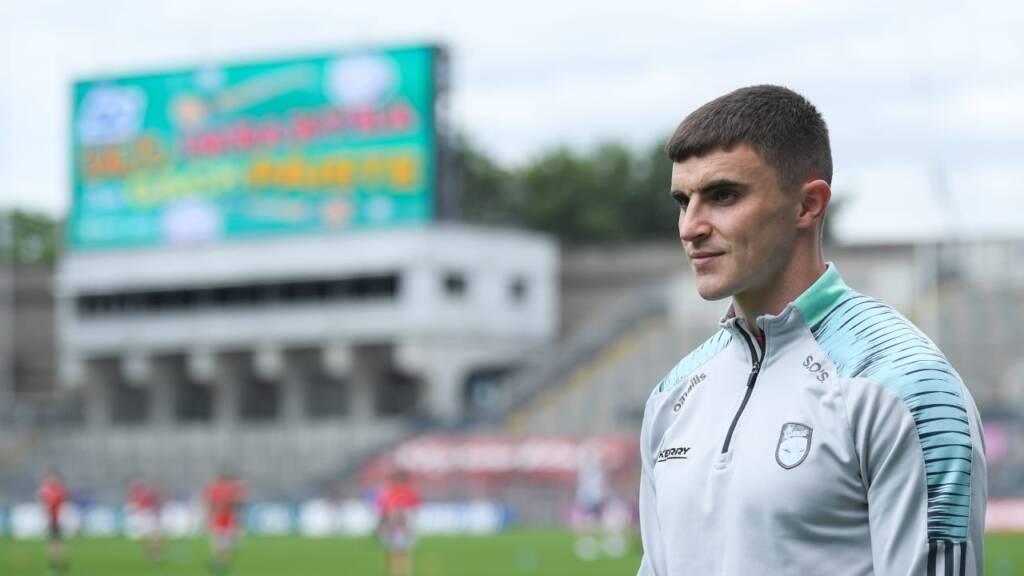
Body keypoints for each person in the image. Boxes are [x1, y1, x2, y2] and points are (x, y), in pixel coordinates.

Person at [637, 85, 986, 576]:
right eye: (682, 200)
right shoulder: (671, 397)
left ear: (808, 205)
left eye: (722, 195)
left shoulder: (906, 386)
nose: (690, 226)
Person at [375, 468, 420, 576]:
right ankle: (399, 573)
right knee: (397, 552)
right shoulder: (394, 491)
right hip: (396, 525)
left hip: (402, 526)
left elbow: (383, 508)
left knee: (399, 552)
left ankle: (400, 573)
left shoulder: (392, 491)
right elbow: (383, 508)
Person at [204, 470, 245, 575]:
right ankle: (222, 563)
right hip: (225, 519)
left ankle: (219, 563)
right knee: (225, 544)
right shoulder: (231, 489)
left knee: (219, 544)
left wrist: (209, 516)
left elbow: (211, 505)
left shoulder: (216, 489)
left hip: (221, 519)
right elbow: (237, 504)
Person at [37, 472, 68, 575]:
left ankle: (56, 565)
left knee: (54, 544)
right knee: (56, 543)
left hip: (54, 521)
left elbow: (49, 503)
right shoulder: (57, 491)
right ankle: (58, 564)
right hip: (54, 520)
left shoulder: (56, 492)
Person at [127, 477, 164, 562]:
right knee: (151, 536)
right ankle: (154, 551)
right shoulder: (142, 495)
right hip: (146, 516)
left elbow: (145, 505)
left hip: (147, 516)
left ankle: (154, 551)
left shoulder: (144, 494)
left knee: (152, 536)